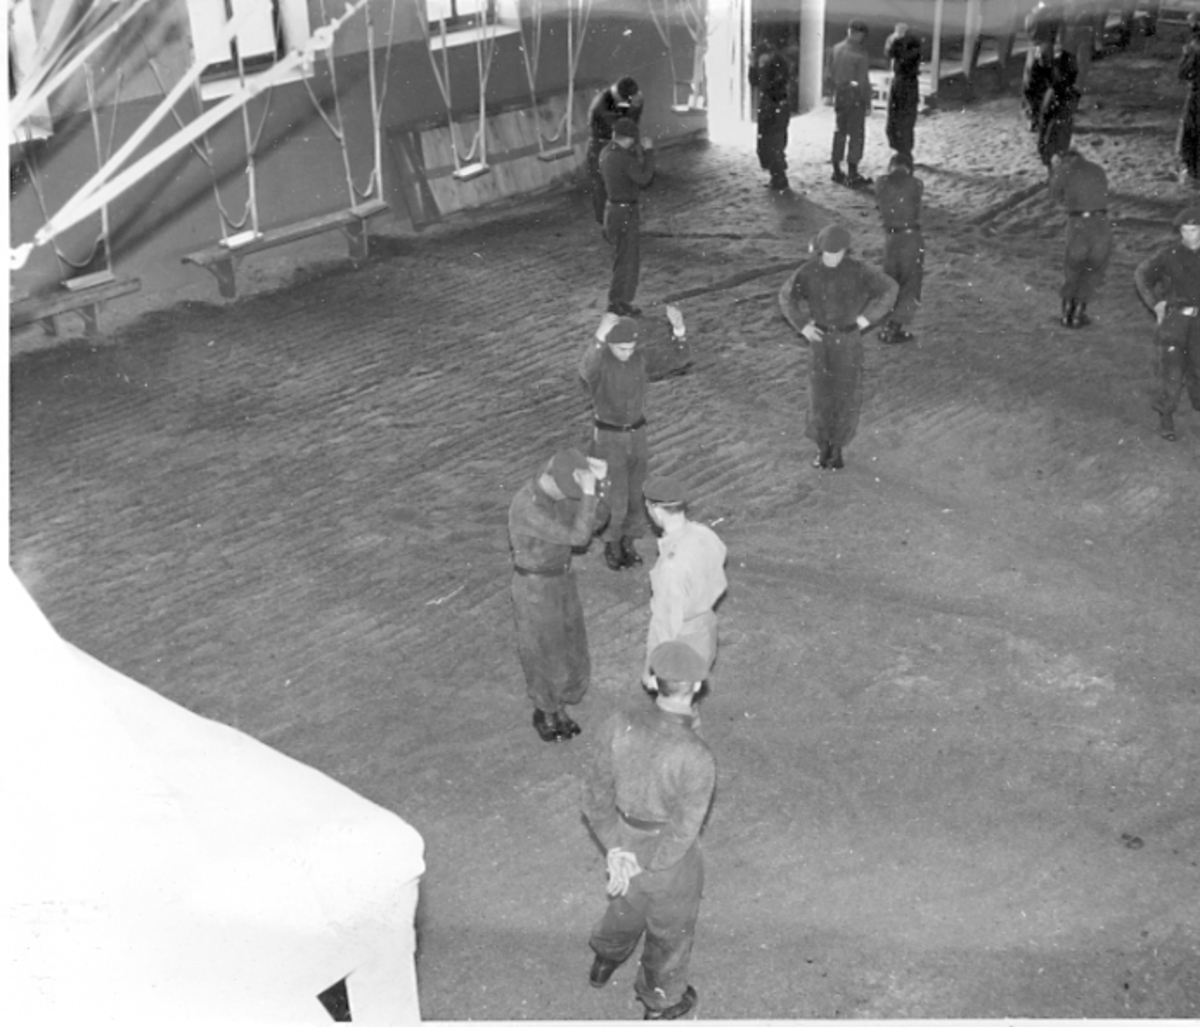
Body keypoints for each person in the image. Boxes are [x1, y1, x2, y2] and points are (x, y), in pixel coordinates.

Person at [582, 639, 715, 1021]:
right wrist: (649, 863)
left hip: (623, 836)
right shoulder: (696, 755)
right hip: (667, 858)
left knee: (624, 905)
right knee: (670, 930)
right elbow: (685, 828)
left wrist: (616, 848)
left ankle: (605, 960)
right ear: (696, 686)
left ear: (654, 682)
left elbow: (594, 795)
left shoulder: (617, 724)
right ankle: (660, 1000)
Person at [778, 224, 898, 470]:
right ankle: (822, 446)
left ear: (845, 251)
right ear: (820, 250)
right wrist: (803, 326)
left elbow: (890, 289)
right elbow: (786, 297)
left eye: (838, 253)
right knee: (819, 394)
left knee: (845, 393)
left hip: (848, 339)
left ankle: (837, 448)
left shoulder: (858, 271)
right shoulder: (808, 272)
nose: (832, 258)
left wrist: (866, 320)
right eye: (828, 253)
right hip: (819, 340)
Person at [508, 447, 606, 742]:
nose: (570, 497)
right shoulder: (527, 506)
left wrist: (601, 484)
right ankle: (546, 710)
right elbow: (579, 537)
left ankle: (561, 701)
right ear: (550, 477)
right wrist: (587, 493)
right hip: (535, 587)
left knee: (571, 643)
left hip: (561, 577)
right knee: (542, 650)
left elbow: (598, 519)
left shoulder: (557, 493)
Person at [640, 475, 728, 690]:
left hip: (681, 640)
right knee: (692, 689)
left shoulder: (672, 567)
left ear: (656, 510)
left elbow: (666, 622)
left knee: (675, 698)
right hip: (705, 629)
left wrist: (650, 668)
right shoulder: (704, 534)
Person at [580, 315, 651, 572]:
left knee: (636, 494)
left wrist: (678, 330)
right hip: (609, 439)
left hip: (637, 435)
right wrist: (599, 337)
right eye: (622, 348)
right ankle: (612, 544)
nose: (627, 353)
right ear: (610, 344)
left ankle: (629, 541)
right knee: (614, 497)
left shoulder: (638, 359)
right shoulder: (600, 363)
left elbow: (675, 359)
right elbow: (586, 370)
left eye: (631, 348)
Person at [1133, 206, 1200, 442]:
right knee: (1172, 371)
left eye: (1195, 229)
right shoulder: (1169, 255)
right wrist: (1156, 304)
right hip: (1175, 320)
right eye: (1186, 230)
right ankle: (1166, 415)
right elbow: (1142, 274)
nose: (1190, 235)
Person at [1047, 148, 1112, 328]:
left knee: (1073, 267)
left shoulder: (1064, 170)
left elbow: (1054, 194)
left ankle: (1067, 313)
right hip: (1101, 223)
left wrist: (1056, 170)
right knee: (1094, 268)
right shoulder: (1097, 169)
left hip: (1078, 224)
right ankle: (1079, 313)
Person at [599, 117, 656, 317]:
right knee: (628, 261)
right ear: (630, 138)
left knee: (621, 259)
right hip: (625, 213)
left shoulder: (606, 152)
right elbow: (644, 178)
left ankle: (618, 300)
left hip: (612, 211)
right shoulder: (624, 158)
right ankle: (619, 302)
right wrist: (649, 152)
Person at [875, 152, 925, 344]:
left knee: (891, 281)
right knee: (911, 283)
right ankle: (893, 327)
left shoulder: (881, 183)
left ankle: (886, 323)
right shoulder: (916, 184)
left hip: (891, 238)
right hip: (911, 237)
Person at [587, 77, 644, 225]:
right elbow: (622, 127)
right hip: (601, 146)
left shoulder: (624, 98)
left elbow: (630, 125)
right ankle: (605, 222)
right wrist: (635, 107)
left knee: (625, 181)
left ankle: (626, 219)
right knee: (602, 185)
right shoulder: (602, 103)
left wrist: (636, 106)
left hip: (618, 143)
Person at [828, 19, 873, 188]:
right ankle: (852, 173)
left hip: (840, 93)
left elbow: (829, 73)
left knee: (840, 131)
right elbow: (862, 80)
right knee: (856, 134)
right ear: (859, 34)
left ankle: (836, 169)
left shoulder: (836, 49)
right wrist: (867, 100)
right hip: (855, 96)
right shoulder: (860, 53)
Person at [749, 38, 792, 191]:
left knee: (774, 143)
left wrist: (760, 68)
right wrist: (753, 65)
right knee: (767, 143)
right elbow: (754, 82)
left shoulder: (778, 65)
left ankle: (779, 177)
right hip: (769, 106)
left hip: (776, 106)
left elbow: (774, 85)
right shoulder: (769, 63)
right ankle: (777, 176)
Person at [1037, 41, 1081, 170]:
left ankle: (1050, 164)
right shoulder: (1072, 93)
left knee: (1052, 134)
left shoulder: (1053, 93)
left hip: (1057, 101)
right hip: (1061, 100)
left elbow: (1045, 121)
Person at [884, 22, 922, 161]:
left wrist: (897, 39)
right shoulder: (905, 43)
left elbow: (899, 55)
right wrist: (896, 39)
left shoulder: (911, 45)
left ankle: (903, 149)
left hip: (906, 81)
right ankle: (901, 148)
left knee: (903, 117)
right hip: (901, 80)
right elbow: (890, 53)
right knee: (897, 117)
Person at [1023, 2, 1061, 131]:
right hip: (1041, 47)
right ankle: (1035, 115)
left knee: (1038, 82)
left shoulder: (1038, 14)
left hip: (1043, 47)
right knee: (1035, 82)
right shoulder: (1036, 13)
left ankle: (1038, 115)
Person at [1178, 14, 1200, 186]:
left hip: (1197, 94)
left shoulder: (1195, 45)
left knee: (1191, 132)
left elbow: (1183, 73)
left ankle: (1192, 173)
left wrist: (1186, 54)